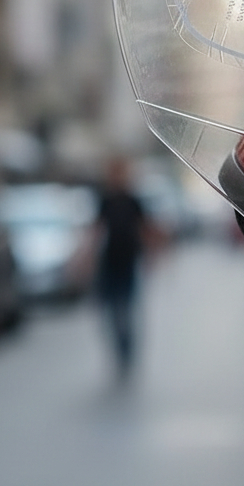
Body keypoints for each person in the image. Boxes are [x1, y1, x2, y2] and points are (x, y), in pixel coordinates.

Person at [94, 156, 149, 378]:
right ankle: (119, 352)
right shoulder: (105, 200)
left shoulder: (133, 200)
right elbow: (96, 229)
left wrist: (154, 254)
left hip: (128, 263)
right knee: (111, 312)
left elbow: (145, 228)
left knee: (125, 311)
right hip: (109, 264)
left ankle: (127, 353)